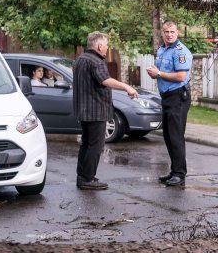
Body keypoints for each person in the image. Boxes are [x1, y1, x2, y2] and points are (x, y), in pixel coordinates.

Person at [73, 31, 138, 191]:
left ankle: (83, 176)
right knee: (95, 145)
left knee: (86, 144)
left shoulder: (80, 59)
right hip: (96, 110)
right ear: (99, 45)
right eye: (106, 45)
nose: (107, 48)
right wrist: (126, 86)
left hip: (83, 109)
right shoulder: (96, 61)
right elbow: (105, 80)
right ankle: (87, 179)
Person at [147, 20, 193, 187]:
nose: (169, 34)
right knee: (168, 136)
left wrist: (158, 73)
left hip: (178, 97)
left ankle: (180, 174)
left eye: (172, 32)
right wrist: (156, 74)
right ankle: (174, 171)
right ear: (162, 33)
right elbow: (162, 73)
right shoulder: (162, 50)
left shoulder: (181, 52)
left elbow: (181, 76)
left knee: (176, 136)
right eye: (166, 32)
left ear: (177, 32)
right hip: (166, 97)